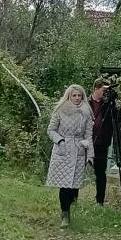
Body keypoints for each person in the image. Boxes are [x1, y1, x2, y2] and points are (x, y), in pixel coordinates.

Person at [46, 84, 93, 227]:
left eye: (79, 95)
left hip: (79, 149)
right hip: (63, 150)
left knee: (73, 186)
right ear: (69, 96)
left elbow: (89, 135)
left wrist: (90, 155)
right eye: (74, 95)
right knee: (64, 185)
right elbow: (51, 130)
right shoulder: (60, 110)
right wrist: (60, 141)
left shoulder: (86, 113)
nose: (77, 98)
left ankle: (70, 205)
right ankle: (65, 214)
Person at [88, 77, 121, 206]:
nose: (105, 93)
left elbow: (118, 118)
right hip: (84, 142)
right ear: (96, 89)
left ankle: (100, 201)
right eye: (104, 90)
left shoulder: (107, 105)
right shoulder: (86, 103)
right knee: (77, 169)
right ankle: (73, 198)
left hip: (101, 143)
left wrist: (113, 103)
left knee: (100, 173)